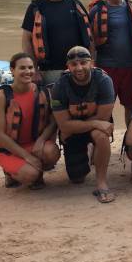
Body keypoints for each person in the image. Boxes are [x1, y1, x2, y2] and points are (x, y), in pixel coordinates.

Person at [51, 46, 116, 203]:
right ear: (68, 66)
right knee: (77, 178)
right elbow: (64, 126)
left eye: (83, 63)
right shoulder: (59, 86)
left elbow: (104, 118)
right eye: (74, 64)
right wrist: (93, 123)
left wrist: (74, 125)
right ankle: (88, 150)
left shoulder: (104, 81)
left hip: (92, 129)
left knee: (101, 134)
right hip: (74, 132)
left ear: (91, 63)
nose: (79, 67)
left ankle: (101, 182)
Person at [0, 53, 60, 189]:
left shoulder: (43, 92)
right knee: (31, 175)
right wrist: (27, 156)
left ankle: (35, 171)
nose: (27, 72)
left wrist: (41, 141)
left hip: (33, 144)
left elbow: (52, 122)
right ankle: (10, 173)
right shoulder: (2, 96)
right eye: (22, 68)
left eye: (30, 67)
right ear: (12, 70)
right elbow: (0, 134)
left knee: (52, 152)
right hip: (8, 149)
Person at [21, 0, 92, 85]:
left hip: (78, 69)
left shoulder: (75, 4)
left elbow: (90, 37)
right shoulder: (35, 8)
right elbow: (26, 41)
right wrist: (34, 70)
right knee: (54, 104)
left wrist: (92, 62)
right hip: (49, 71)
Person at [88, 0, 132, 124]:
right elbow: (90, 39)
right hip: (105, 67)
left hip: (130, 66)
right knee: (105, 106)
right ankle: (104, 142)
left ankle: (130, 142)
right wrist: (91, 63)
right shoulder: (95, 10)